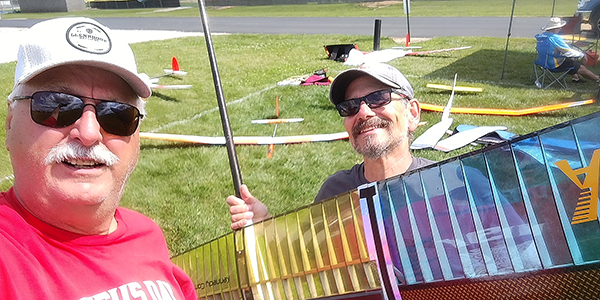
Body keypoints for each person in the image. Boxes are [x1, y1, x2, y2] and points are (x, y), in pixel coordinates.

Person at [0, 17, 197, 300]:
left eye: (117, 114)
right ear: (10, 122)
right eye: (56, 105)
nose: (90, 133)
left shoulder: (147, 234)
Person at [227, 63, 434, 230]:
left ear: (412, 113)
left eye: (378, 98)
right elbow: (308, 257)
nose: (363, 112)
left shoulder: (447, 184)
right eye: (350, 107)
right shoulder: (335, 192)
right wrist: (264, 223)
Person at [537, 17, 600, 83]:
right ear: (555, 28)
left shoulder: (542, 36)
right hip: (554, 64)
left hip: (543, 62)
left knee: (570, 61)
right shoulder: (555, 38)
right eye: (559, 27)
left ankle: (575, 78)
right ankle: (597, 78)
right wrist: (582, 55)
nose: (561, 28)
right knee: (581, 68)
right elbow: (568, 52)